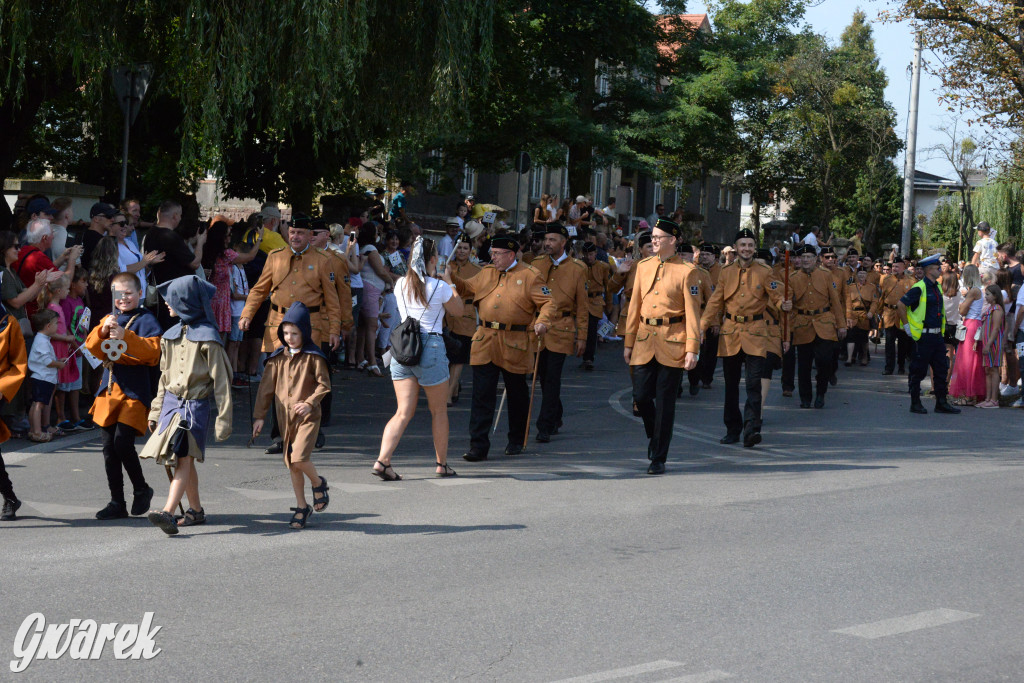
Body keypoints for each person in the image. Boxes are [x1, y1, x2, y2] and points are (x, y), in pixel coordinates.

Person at [447, 235, 556, 461]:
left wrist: (543, 322)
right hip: (485, 340)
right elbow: (468, 288)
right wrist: (451, 278)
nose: (492, 257)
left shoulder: (530, 275)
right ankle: (478, 446)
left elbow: (548, 302)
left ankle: (516, 439)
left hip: (514, 341)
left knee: (517, 394)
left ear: (511, 254)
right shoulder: (487, 272)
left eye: (496, 254)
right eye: (492, 253)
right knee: (481, 396)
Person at [141, 276, 233, 535]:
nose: (167, 305)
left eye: (172, 300)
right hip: (170, 406)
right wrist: (156, 409)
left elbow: (222, 383)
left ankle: (168, 512)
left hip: (193, 409)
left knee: (182, 458)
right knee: (181, 461)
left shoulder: (209, 339)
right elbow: (163, 377)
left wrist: (223, 419)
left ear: (186, 302)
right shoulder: (169, 336)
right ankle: (195, 510)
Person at [372, 238, 464, 479]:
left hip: (403, 346)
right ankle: (441, 464)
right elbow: (458, 311)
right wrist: (450, 281)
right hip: (430, 345)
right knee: (438, 411)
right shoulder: (439, 286)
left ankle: (383, 460)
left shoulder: (401, 283)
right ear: (433, 259)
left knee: (402, 411)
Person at [622, 217, 701, 474]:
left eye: (658, 237)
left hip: (673, 339)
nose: (653, 240)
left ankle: (658, 456)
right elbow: (634, 306)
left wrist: (692, 348)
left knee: (666, 402)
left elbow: (693, 313)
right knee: (641, 397)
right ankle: (653, 433)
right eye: (653, 237)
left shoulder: (687, 271)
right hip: (645, 339)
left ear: (673, 240)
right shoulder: (643, 266)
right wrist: (628, 341)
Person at [84, 273, 162, 520]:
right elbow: (93, 348)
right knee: (108, 448)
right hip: (109, 389)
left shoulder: (146, 319)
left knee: (122, 443)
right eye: (119, 294)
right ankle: (116, 501)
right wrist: (103, 330)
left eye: (129, 293)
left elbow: (152, 354)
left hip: (134, 391)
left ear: (139, 293)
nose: (124, 298)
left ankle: (141, 488)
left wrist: (125, 337)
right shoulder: (110, 318)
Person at [700, 229, 784, 447]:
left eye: (750, 244)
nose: (746, 248)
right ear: (735, 248)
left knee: (754, 384)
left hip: (756, 332)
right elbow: (715, 302)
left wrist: (783, 303)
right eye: (742, 245)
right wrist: (702, 325)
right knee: (730, 385)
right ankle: (732, 429)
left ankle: (751, 428)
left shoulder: (765, 271)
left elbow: (776, 296)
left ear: (754, 248)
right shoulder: (726, 272)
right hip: (731, 333)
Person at [252, 303, 332, 528]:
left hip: (308, 417)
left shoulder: (313, 357)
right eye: (286, 333)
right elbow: (265, 390)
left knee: (299, 458)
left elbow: (324, 385)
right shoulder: (277, 358)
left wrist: (309, 403)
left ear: (305, 332)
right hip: (285, 419)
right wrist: (259, 417)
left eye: (295, 333)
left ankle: (318, 483)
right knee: (293, 465)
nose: (289, 338)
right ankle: (301, 506)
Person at [528, 223, 588, 442]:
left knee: (552, 377)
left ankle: (544, 425)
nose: (547, 243)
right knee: (542, 377)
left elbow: (582, 306)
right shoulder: (535, 264)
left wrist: (582, 336)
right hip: (537, 328)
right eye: (546, 239)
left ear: (564, 242)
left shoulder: (578, 268)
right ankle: (556, 413)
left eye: (552, 239)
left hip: (562, 327)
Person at [784, 244, 845, 409]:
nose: (805, 260)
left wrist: (841, 325)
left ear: (815, 259)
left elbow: (836, 302)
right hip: (803, 324)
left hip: (824, 322)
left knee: (824, 361)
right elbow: (787, 300)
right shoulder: (794, 277)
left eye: (809, 257)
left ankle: (821, 392)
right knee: (804, 365)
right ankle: (805, 397)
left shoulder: (825, 275)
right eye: (803, 258)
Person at [899, 254, 961, 415]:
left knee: (941, 369)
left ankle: (941, 402)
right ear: (929, 270)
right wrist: (907, 327)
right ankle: (915, 402)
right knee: (918, 370)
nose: (940, 269)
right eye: (937, 267)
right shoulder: (919, 287)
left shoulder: (937, 286)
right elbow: (900, 304)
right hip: (923, 337)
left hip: (936, 337)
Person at [202, 219, 261, 341]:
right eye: (228, 235)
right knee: (220, 341)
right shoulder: (226, 254)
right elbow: (250, 256)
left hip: (208, 300)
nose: (230, 238)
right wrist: (259, 238)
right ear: (222, 237)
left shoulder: (205, 251)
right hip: (222, 301)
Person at [15, 219, 81, 315]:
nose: (53, 237)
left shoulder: (22, 251)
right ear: (45, 238)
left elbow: (45, 270)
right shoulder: (39, 258)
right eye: (52, 233)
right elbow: (65, 282)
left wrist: (62, 258)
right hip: (32, 313)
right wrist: (72, 259)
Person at [0, 296, 27, 521]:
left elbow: (18, 364)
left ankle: (9, 498)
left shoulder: (9, 323)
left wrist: (2, 388)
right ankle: (10, 497)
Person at [444, 236, 480, 405]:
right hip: (445, 315)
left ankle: (448, 394)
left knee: (459, 357)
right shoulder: (445, 267)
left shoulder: (477, 270)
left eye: (465, 248)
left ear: (470, 250)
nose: (462, 251)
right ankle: (454, 385)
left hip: (465, 315)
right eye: (459, 248)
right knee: (448, 357)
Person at [948, 264, 986, 405]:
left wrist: (960, 305)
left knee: (967, 360)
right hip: (975, 324)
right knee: (971, 359)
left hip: (970, 324)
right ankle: (971, 393)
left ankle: (968, 394)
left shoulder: (973, 291)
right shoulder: (978, 290)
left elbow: (963, 311)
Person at [57, 267, 89, 431]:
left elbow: (82, 325)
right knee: (63, 385)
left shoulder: (80, 301)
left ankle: (76, 417)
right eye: (83, 281)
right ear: (73, 284)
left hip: (80, 348)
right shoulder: (67, 302)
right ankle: (61, 416)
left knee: (76, 384)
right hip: (69, 350)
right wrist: (77, 346)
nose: (86, 285)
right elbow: (66, 327)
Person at [27, 310, 65, 442]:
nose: (57, 327)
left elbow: (46, 358)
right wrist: (58, 365)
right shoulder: (42, 341)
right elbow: (47, 362)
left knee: (35, 404)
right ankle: (37, 431)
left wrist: (57, 361)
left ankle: (33, 430)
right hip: (43, 377)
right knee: (39, 404)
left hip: (41, 376)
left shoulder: (42, 339)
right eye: (56, 323)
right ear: (48, 326)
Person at [110, 211, 164, 300]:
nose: (125, 226)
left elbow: (141, 271)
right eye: (121, 223)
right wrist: (144, 262)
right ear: (111, 225)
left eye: (126, 223)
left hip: (139, 294)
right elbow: (118, 271)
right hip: (125, 297)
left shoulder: (129, 243)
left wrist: (149, 263)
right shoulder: (111, 246)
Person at [880, 258, 916, 375]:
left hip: (903, 315)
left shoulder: (911, 281)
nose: (895, 269)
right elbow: (882, 296)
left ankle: (901, 366)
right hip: (889, 313)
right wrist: (879, 312)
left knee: (903, 342)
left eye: (897, 267)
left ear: (904, 268)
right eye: (893, 266)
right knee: (889, 341)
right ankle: (888, 367)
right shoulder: (886, 279)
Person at [580, 241, 612, 371]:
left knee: (592, 330)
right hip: (582, 300)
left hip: (596, 300)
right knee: (584, 329)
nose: (589, 257)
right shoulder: (579, 266)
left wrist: (609, 304)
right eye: (587, 254)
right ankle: (584, 354)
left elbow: (608, 286)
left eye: (591, 254)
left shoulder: (603, 267)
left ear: (596, 254)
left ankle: (589, 358)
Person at [845, 269, 880, 366]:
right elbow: (847, 301)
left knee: (863, 338)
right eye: (860, 273)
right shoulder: (851, 287)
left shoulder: (871, 287)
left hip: (864, 315)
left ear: (866, 275)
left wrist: (871, 312)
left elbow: (874, 301)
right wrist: (848, 314)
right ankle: (849, 358)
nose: (862, 275)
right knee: (851, 336)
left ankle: (864, 357)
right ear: (856, 275)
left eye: (864, 273)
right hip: (853, 314)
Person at [941, 271, 963, 387]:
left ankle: (936, 384)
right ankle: (946, 382)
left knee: (938, 356)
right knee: (950, 356)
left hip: (942, 326)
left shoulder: (940, 295)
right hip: (954, 326)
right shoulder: (959, 295)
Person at [81, 202, 117, 268]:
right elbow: (112, 264)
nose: (113, 220)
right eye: (109, 216)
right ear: (96, 219)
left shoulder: (82, 234)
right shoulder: (100, 241)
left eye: (113, 216)